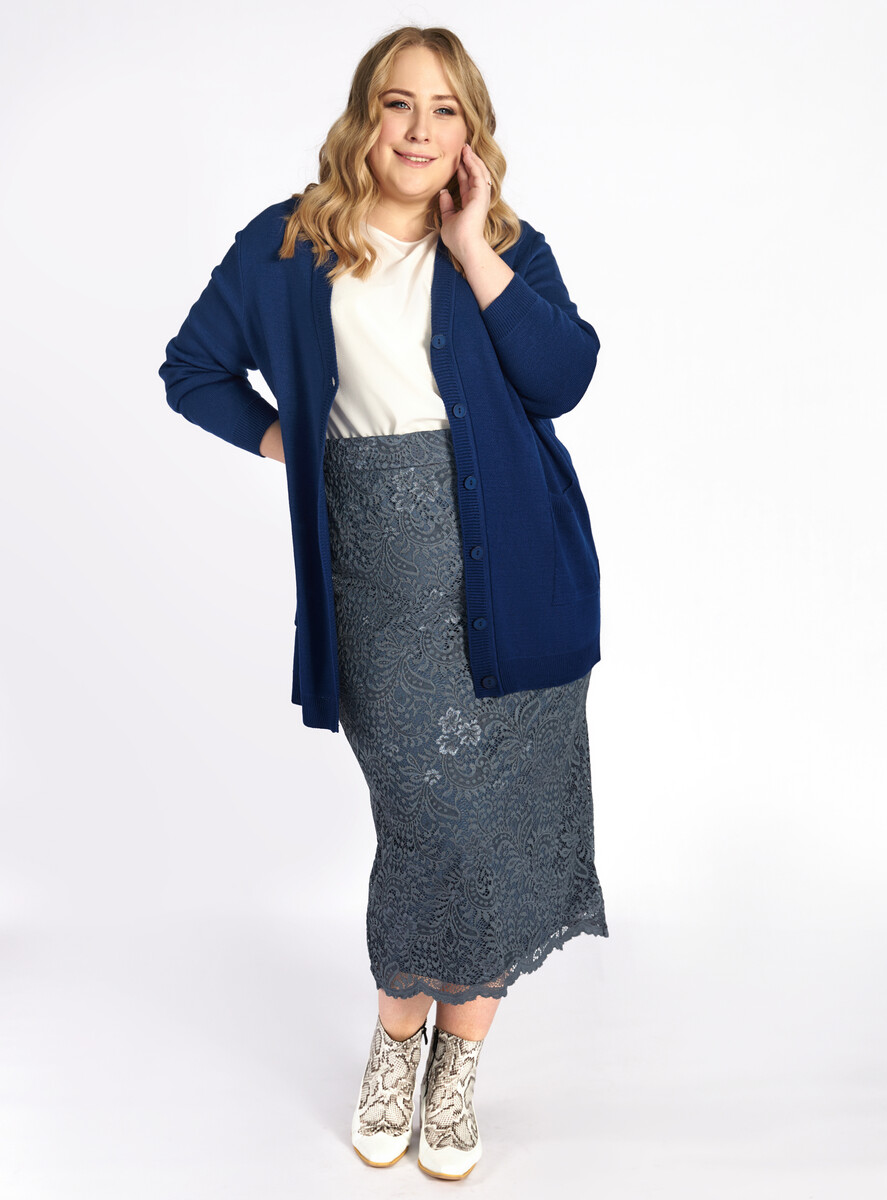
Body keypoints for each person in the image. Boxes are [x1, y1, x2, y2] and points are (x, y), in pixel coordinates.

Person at [159, 24, 609, 1181]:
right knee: (425, 826)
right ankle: (396, 1044)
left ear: (471, 133)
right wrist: (290, 447)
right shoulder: (288, 244)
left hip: (520, 573)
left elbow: (564, 377)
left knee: (501, 835)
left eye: (445, 110)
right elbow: (191, 370)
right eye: (400, 103)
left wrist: (472, 247)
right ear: (367, 114)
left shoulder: (506, 246)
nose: (419, 129)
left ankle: (457, 1068)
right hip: (379, 582)